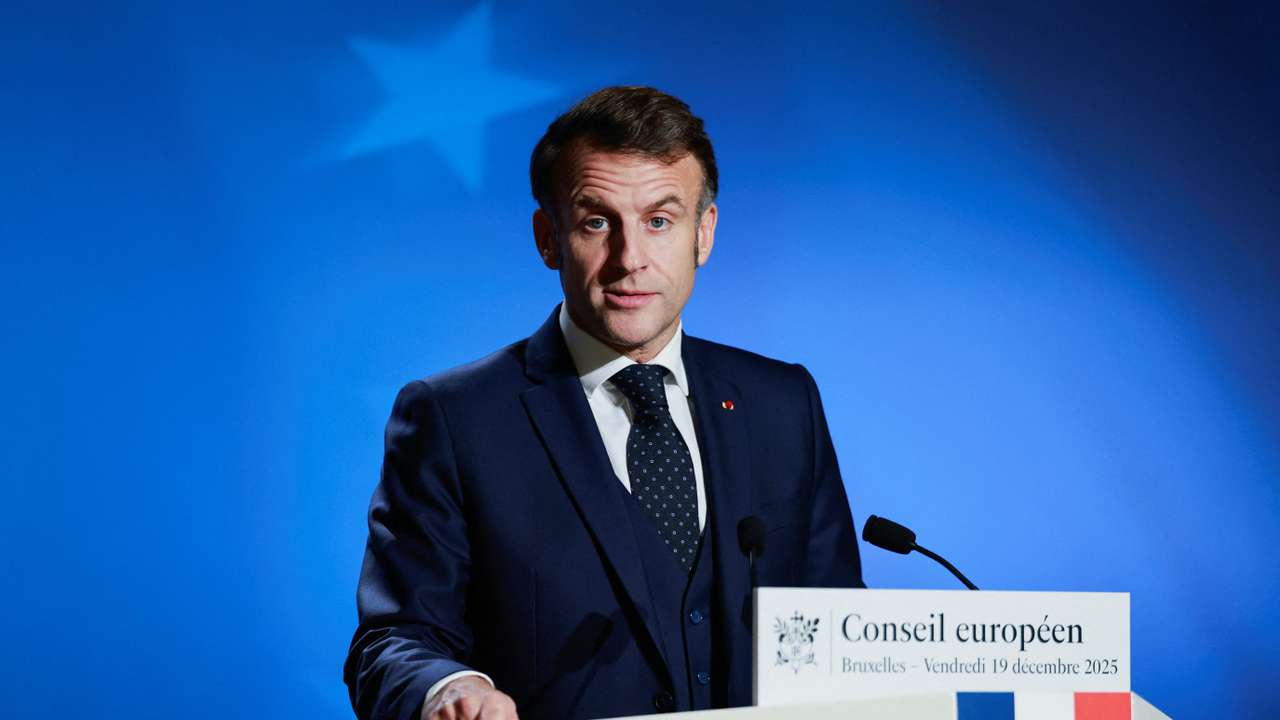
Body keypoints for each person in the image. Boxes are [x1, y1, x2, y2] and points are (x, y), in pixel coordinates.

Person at [344, 86, 864, 720]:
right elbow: (394, 640)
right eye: (597, 221)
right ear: (549, 237)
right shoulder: (454, 419)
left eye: (659, 220)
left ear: (704, 234)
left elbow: (843, 628)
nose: (630, 259)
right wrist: (448, 689)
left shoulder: (784, 403)